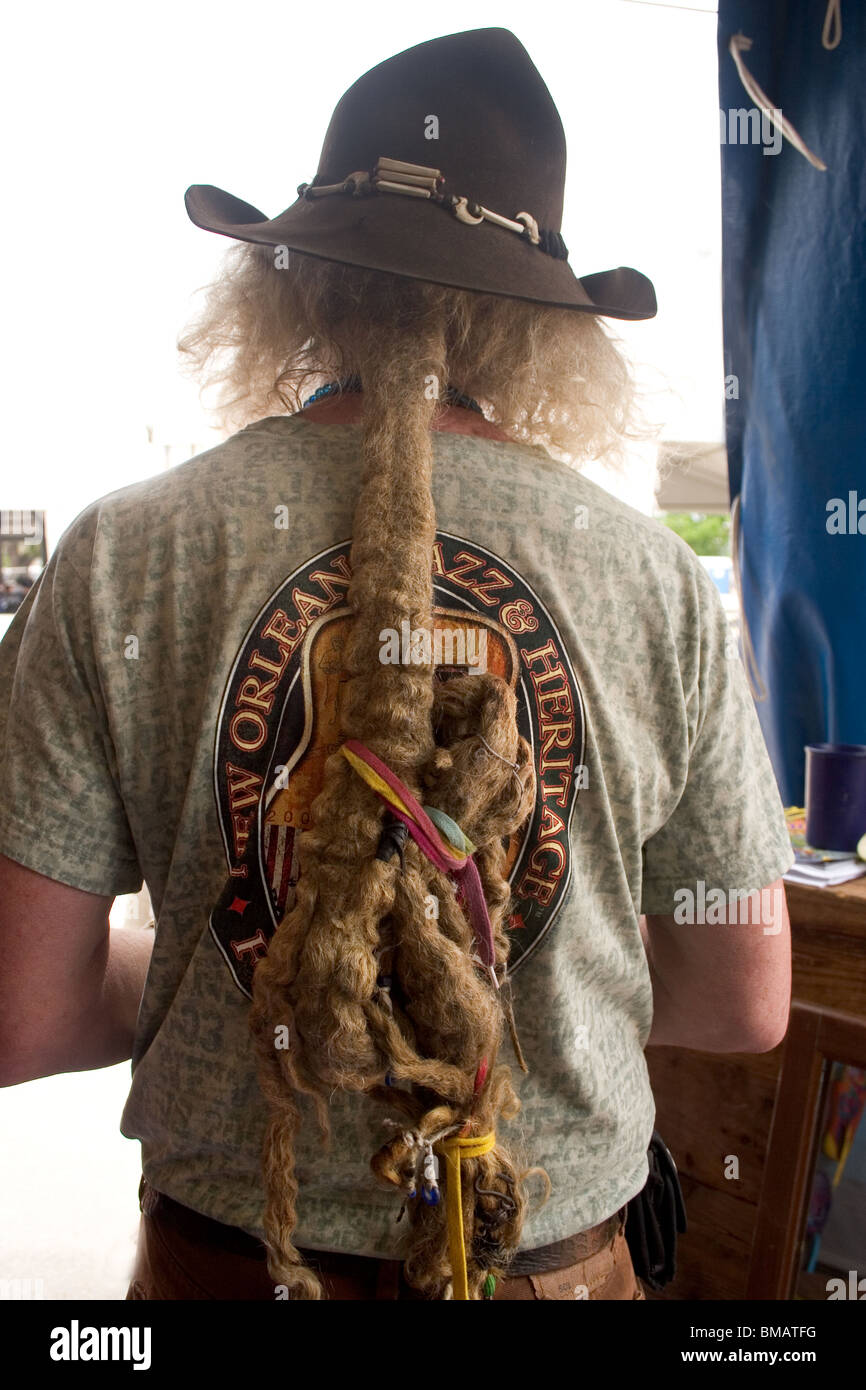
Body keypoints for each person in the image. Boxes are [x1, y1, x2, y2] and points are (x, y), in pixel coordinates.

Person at [0, 27, 793, 1302]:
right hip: (540, 1260)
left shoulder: (122, 553)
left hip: (235, 1266)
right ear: (545, 324)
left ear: (295, 280)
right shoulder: (648, 577)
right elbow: (742, 1001)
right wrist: (517, 987)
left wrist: (267, 977)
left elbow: (21, 1012)